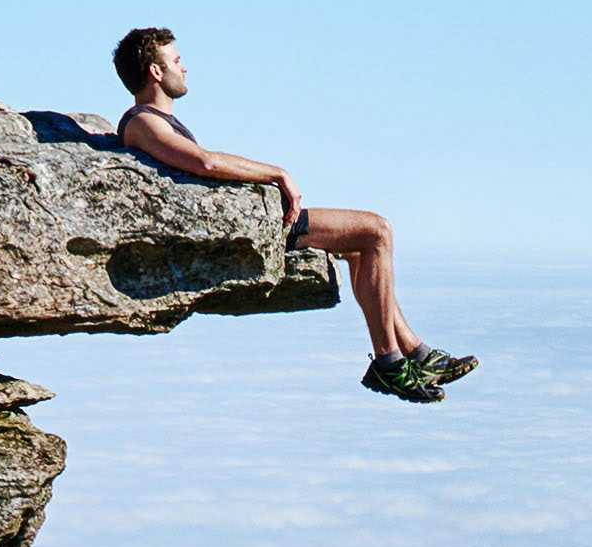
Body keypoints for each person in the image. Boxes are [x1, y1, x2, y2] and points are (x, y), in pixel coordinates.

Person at [111, 27, 475, 404]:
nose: (184, 68)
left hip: (259, 220)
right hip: (253, 228)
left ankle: (415, 352)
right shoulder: (143, 122)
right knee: (377, 231)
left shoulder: (155, 121)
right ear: (156, 72)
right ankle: (390, 362)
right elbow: (205, 162)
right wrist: (276, 172)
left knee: (359, 249)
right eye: (176, 61)